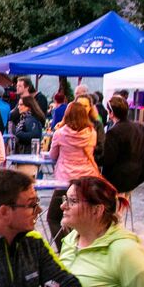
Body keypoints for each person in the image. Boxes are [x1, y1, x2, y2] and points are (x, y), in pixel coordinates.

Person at [45, 99, 100, 243]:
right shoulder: (92, 133)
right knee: (82, 216)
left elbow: (53, 155)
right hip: (87, 178)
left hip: (65, 180)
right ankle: (82, 245)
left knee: (53, 218)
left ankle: (65, 248)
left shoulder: (60, 134)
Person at [98, 98, 144, 196]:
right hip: (136, 174)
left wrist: (95, 159)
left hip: (118, 178)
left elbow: (108, 158)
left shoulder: (113, 132)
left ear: (111, 113)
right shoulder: (138, 127)